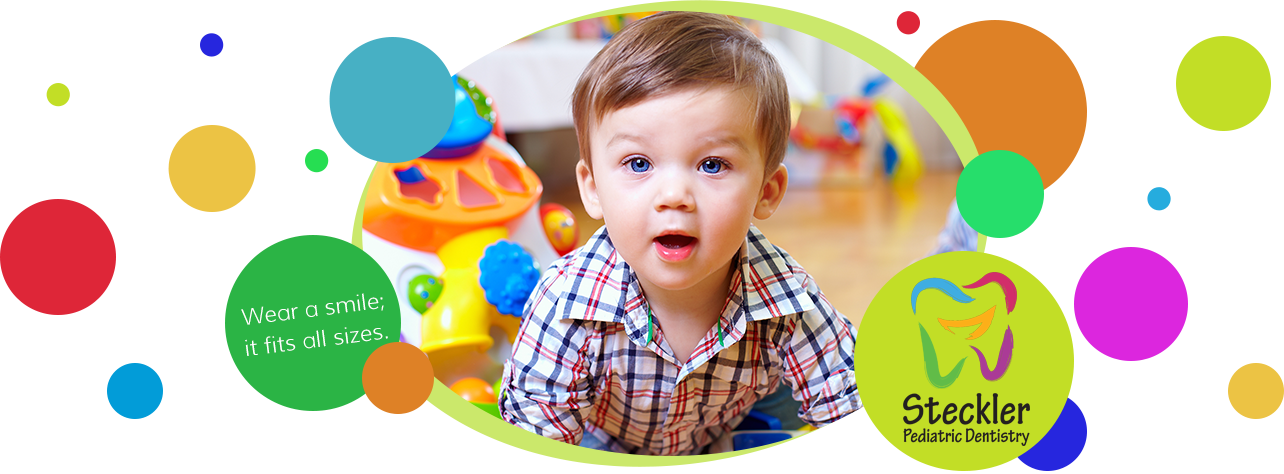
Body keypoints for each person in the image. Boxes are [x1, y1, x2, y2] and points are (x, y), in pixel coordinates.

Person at [499, 12, 859, 456]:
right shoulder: (567, 303)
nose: (673, 196)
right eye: (638, 163)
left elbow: (854, 416)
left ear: (767, 192)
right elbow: (532, 446)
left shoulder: (789, 298)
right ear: (592, 190)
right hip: (599, 439)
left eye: (712, 165)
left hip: (739, 426)